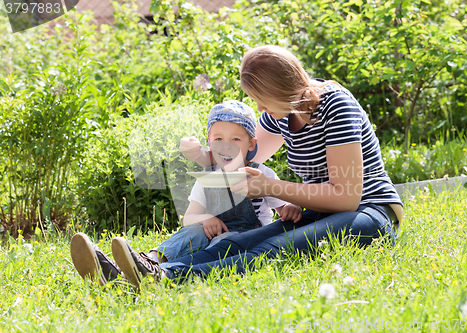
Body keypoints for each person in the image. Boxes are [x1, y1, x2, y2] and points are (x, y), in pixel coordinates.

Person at [96, 44, 404, 288]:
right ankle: (139, 273)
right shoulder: (280, 114)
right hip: (323, 213)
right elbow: (237, 161)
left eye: (260, 97)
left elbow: (347, 197)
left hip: (370, 213)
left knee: (275, 246)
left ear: (279, 88)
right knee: (241, 241)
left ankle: (165, 279)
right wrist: (201, 154)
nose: (258, 108)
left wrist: (271, 188)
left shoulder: (336, 105)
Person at [70, 100, 302, 287]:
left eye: (235, 139)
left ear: (251, 144)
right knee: (192, 232)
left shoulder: (260, 174)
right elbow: (190, 217)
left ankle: (148, 274)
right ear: (209, 143)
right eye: (218, 139)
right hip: (211, 236)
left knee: (225, 242)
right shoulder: (208, 178)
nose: (226, 146)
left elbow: (283, 208)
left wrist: (289, 209)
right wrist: (206, 219)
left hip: (245, 240)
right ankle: (148, 260)